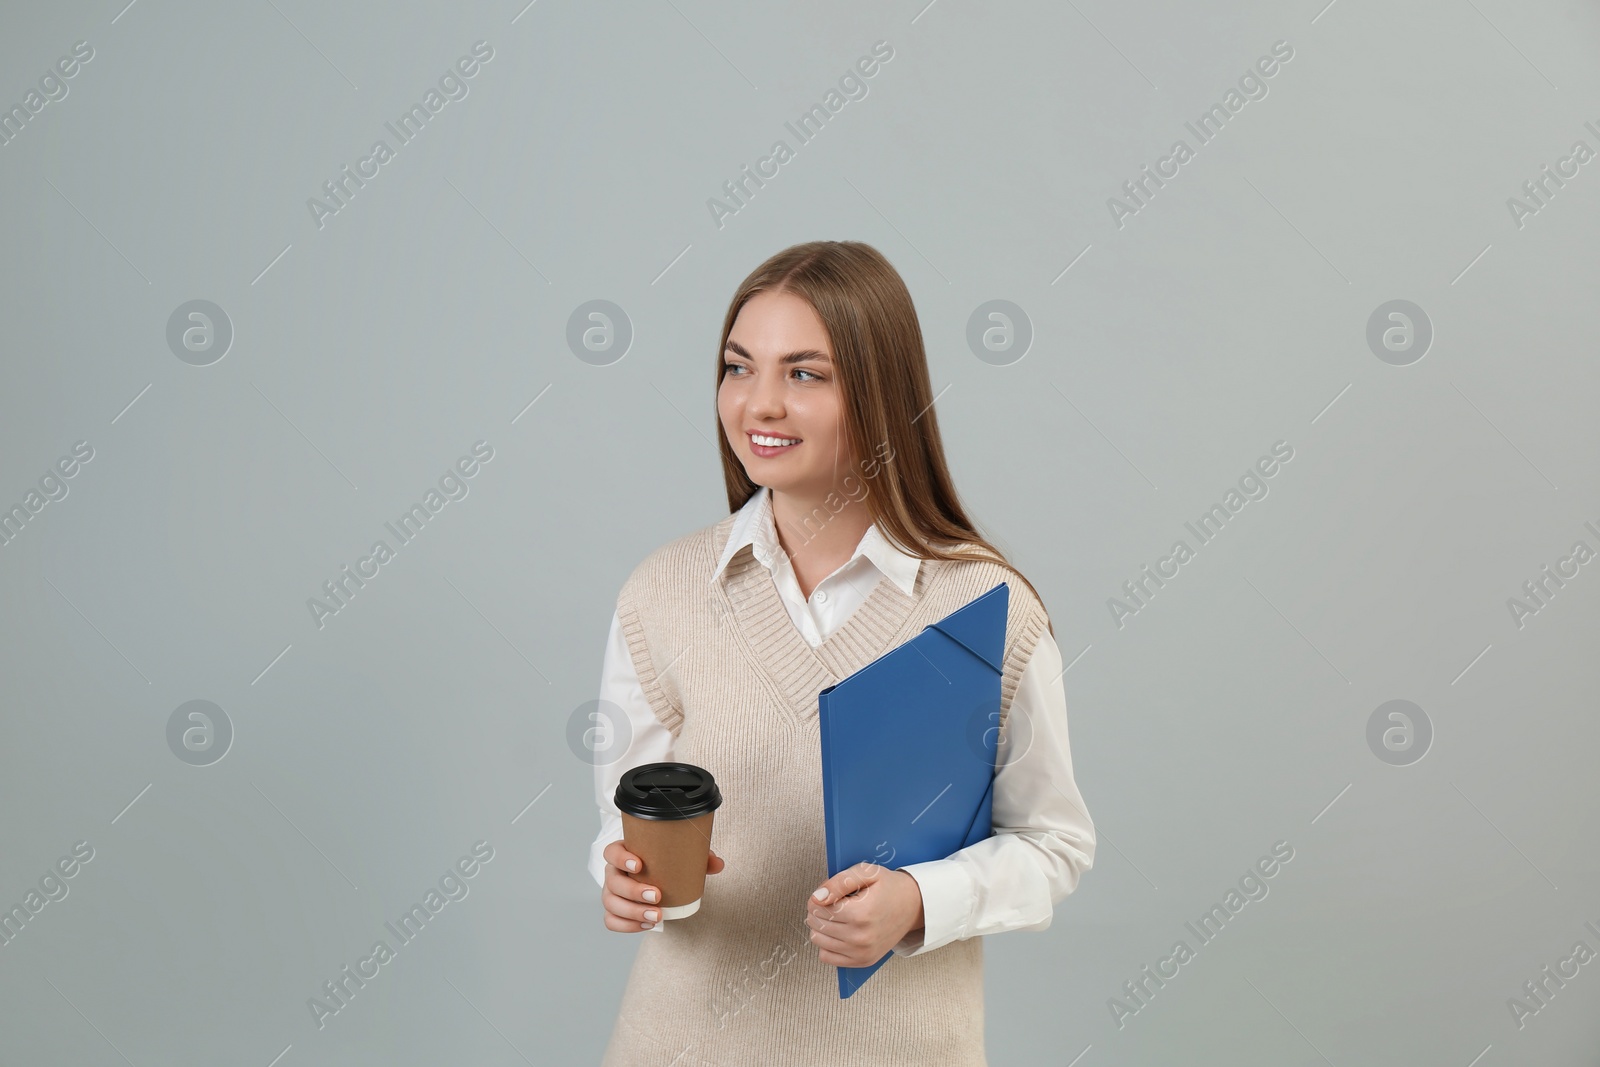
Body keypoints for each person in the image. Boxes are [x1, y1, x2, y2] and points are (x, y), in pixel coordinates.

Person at [588, 240, 1095, 1065]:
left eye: (805, 374)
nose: (759, 404)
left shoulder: (985, 609)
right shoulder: (662, 592)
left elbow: (1054, 845)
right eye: (738, 367)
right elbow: (621, 823)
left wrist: (920, 899)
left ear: (881, 394)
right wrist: (620, 876)